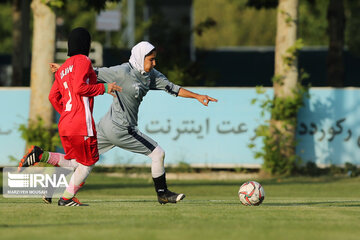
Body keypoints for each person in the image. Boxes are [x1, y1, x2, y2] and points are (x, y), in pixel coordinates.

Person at [34, 41, 218, 204]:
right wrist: (63, 69)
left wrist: (197, 96)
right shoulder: (121, 72)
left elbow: (173, 88)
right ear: (139, 58)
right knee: (158, 154)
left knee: (79, 162)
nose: (154, 63)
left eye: (154, 59)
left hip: (105, 128)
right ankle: (163, 194)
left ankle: (47, 179)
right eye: (151, 60)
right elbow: (89, 73)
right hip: (122, 129)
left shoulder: (152, 76)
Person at [18, 27, 122, 206]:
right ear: (86, 44)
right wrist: (104, 88)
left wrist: (67, 113)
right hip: (81, 123)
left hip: (66, 123)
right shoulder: (83, 60)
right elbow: (80, 88)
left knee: (75, 163)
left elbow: (53, 97)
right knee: (89, 162)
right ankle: (66, 198)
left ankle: (40, 155)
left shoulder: (64, 67)